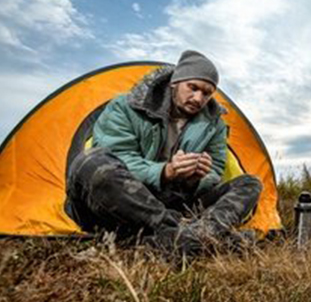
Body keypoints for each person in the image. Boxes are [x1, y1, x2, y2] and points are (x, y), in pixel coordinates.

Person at [65, 50, 262, 256]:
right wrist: (165, 172)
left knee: (250, 184)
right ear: (175, 82)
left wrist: (195, 181)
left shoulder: (214, 124)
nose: (198, 98)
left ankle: (191, 235)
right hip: (126, 201)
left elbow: (216, 169)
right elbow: (118, 157)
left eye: (207, 93)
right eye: (193, 87)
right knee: (90, 162)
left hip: (178, 202)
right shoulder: (126, 107)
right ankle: (191, 235)